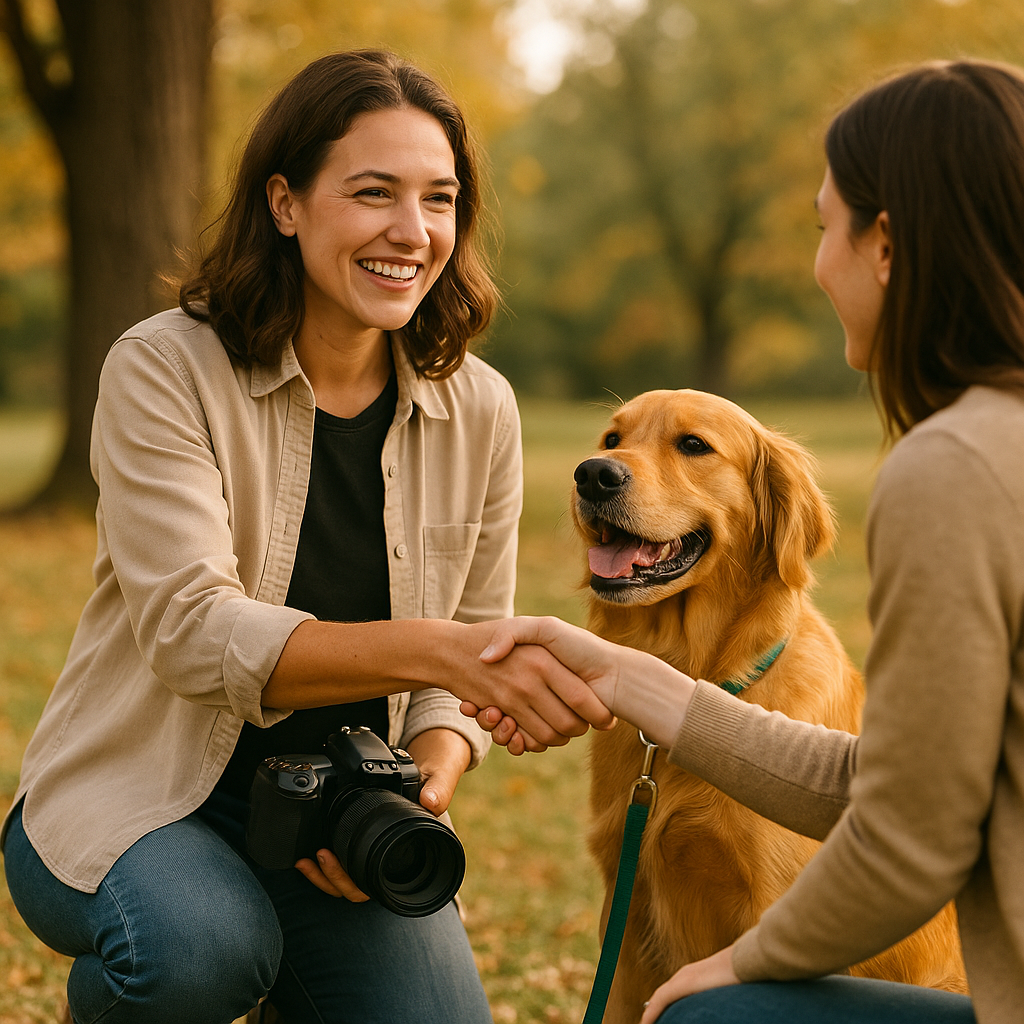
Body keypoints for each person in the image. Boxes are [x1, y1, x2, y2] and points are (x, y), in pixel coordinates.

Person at [1, 50, 612, 1024]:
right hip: (138, 797)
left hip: (342, 823)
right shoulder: (163, 368)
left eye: (440, 199)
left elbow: (465, 658)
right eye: (373, 193)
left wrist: (432, 772)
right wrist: (446, 651)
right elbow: (194, 632)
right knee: (198, 951)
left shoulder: (481, 407)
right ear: (284, 203)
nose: (412, 232)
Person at [466, 59, 1024, 1024]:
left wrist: (744, 966)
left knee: (709, 1015)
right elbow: (894, 783)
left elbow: (911, 838)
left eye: (824, 228)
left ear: (886, 245)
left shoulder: (957, 466)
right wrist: (631, 679)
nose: (818, 264)